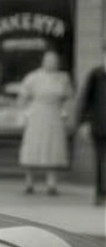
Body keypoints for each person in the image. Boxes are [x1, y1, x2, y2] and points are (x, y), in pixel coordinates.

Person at [17, 49, 74, 195]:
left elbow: (69, 97)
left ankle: (51, 183)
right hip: (37, 113)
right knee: (33, 146)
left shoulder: (63, 78)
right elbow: (22, 97)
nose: (52, 63)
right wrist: (25, 112)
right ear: (43, 61)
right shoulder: (33, 77)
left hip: (54, 114)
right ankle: (29, 182)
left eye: (54, 61)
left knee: (53, 148)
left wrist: (66, 112)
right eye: (49, 60)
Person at [72, 61, 106, 206]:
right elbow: (86, 99)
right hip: (100, 125)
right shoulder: (96, 74)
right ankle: (101, 193)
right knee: (100, 160)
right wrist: (84, 122)